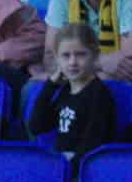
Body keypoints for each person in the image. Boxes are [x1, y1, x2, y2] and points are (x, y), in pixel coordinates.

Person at [27, 22, 120, 169]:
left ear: (95, 55)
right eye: (66, 56)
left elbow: (93, 145)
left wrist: (65, 168)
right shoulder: (65, 91)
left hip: (85, 169)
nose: (72, 62)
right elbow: (36, 126)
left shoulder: (99, 95)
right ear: (57, 59)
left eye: (80, 54)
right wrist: (51, 85)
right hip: (62, 164)